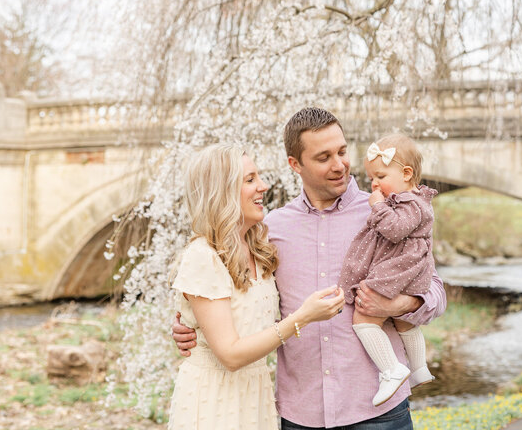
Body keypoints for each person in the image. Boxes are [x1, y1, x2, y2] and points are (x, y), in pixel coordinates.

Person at [173, 108, 447, 429]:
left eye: (342, 152)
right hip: (299, 415)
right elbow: (240, 295)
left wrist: (400, 305)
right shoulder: (270, 230)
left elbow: (434, 291)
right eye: (323, 157)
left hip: (377, 412)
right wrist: (194, 328)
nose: (339, 165)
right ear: (295, 164)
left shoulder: (388, 213)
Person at [168, 143, 345, 430]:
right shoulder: (204, 256)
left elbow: (251, 322)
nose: (262, 186)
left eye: (258, 177)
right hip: (213, 400)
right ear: (221, 191)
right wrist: (303, 317)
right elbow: (230, 355)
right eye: (250, 179)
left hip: (254, 396)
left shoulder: (261, 249)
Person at [338, 134, 437, 406]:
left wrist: (378, 206)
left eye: (380, 176)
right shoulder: (415, 201)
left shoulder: (410, 203)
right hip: (409, 271)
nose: (374, 184)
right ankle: (418, 368)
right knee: (405, 320)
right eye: (371, 178)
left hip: (398, 269)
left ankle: (391, 369)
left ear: (406, 174)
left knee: (364, 318)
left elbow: (394, 230)